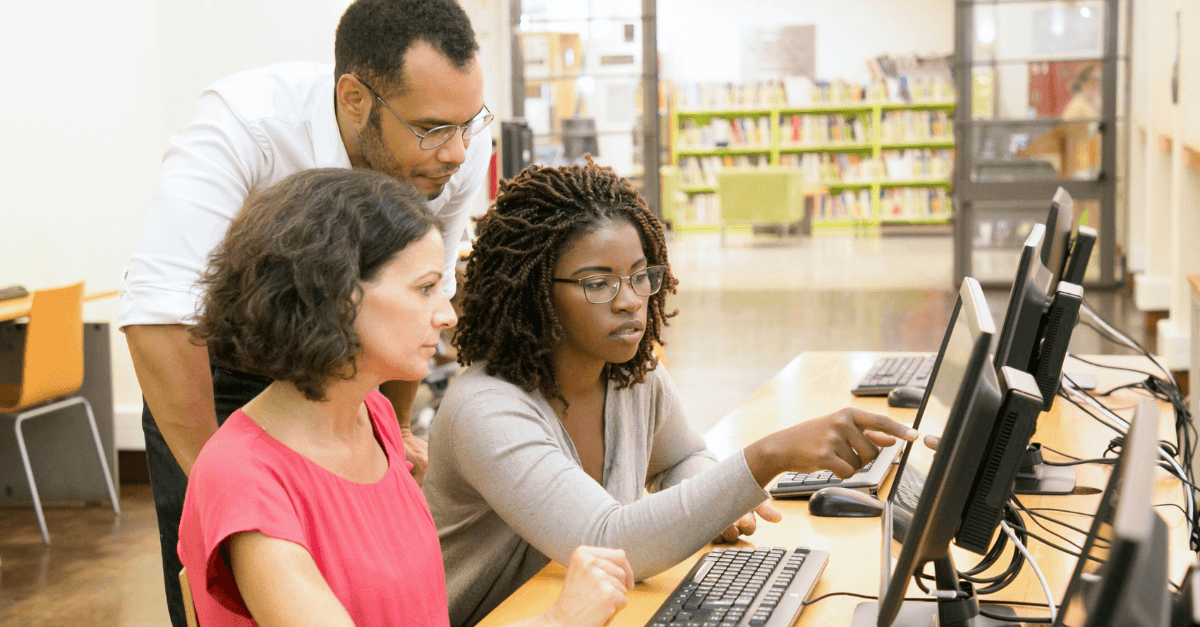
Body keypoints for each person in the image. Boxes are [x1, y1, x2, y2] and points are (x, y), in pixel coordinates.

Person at [422, 159, 919, 627]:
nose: (631, 302)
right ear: (533, 290)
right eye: (599, 283)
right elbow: (608, 543)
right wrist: (768, 456)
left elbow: (684, 456)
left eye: (641, 276)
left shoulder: (629, 375)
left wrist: (716, 505)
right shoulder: (486, 410)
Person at [119, 1, 490, 623]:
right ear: (354, 98)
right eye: (431, 129)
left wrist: (389, 443)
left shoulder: (451, 140)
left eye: (468, 124)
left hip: (356, 381)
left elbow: (417, 299)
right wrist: (227, 487)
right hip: (214, 373)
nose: (456, 152)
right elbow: (160, 311)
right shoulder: (247, 121)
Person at [178, 167, 633, 627]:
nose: (447, 316)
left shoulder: (373, 416)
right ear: (336, 295)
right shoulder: (243, 478)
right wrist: (558, 621)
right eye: (425, 288)